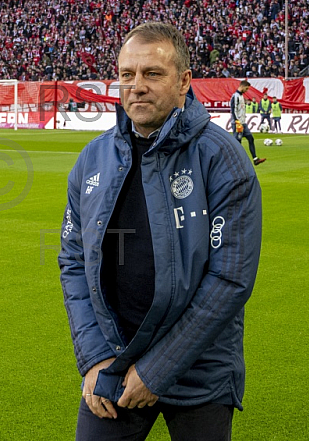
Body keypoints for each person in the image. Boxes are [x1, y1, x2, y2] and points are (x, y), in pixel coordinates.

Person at [59, 22, 263, 441]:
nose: (137, 86)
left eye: (152, 74)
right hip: (113, 363)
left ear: (184, 81)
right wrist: (94, 357)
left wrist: (156, 371)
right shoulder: (92, 158)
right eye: (127, 75)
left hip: (198, 371)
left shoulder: (222, 159)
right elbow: (74, 260)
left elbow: (230, 279)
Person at [231, 81, 266, 165]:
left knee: (251, 138)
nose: (246, 90)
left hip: (243, 123)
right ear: (242, 86)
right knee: (237, 142)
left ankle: (255, 159)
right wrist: (237, 122)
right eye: (246, 88)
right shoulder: (235, 96)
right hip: (238, 123)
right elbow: (233, 109)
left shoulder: (241, 96)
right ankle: (235, 161)